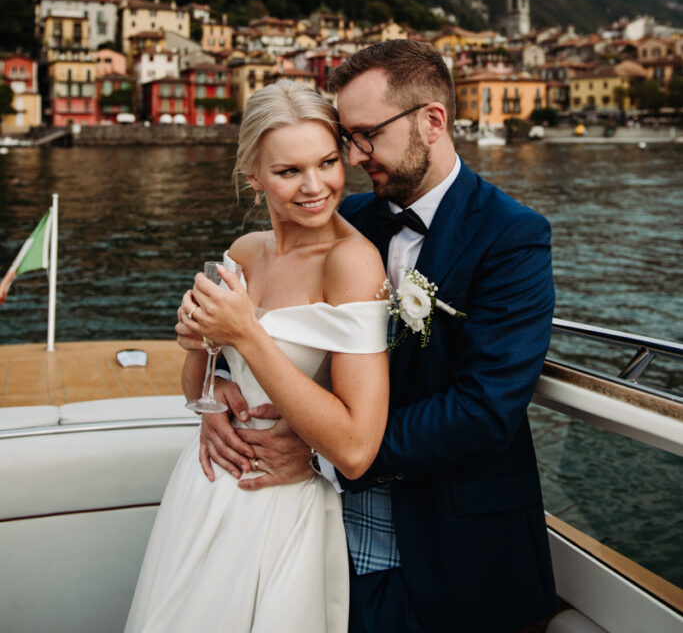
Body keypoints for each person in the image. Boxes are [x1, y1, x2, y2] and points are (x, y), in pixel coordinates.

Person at [202, 40, 557, 633]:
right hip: (325, 531)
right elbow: (260, 306)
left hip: (458, 547)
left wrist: (328, 451)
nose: (357, 155)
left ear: (432, 121)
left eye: (368, 134)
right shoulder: (344, 221)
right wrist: (218, 393)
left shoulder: (513, 236)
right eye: (349, 137)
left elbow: (485, 409)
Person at [124, 80, 389, 633]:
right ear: (255, 178)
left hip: (279, 502)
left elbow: (357, 448)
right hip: (205, 484)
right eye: (289, 171)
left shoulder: (352, 262)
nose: (314, 186)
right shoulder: (244, 253)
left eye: (327, 162)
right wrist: (205, 376)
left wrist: (245, 334)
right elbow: (196, 385)